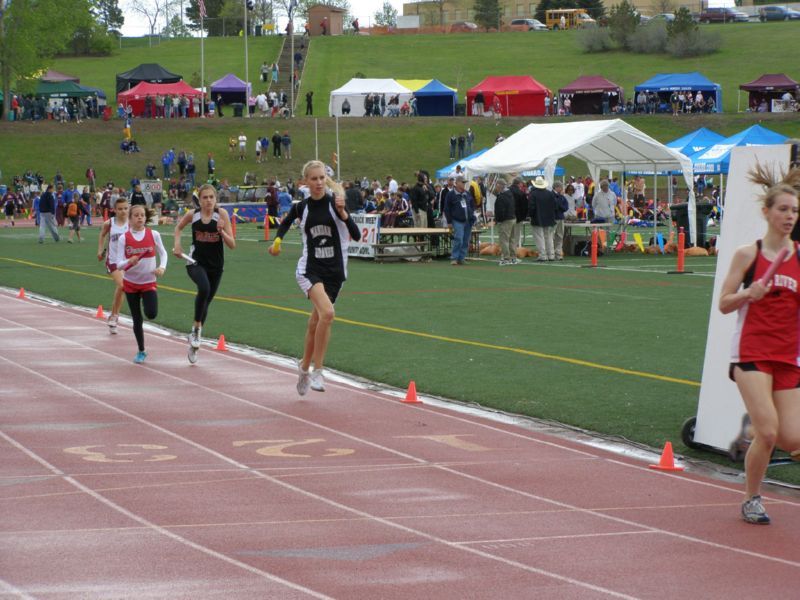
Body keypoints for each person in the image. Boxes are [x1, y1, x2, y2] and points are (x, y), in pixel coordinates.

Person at [719, 168, 800, 525]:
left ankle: (752, 432)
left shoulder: (799, 255)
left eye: (794, 211)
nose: (789, 217)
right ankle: (752, 498)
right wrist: (747, 294)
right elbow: (724, 303)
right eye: (783, 209)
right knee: (769, 432)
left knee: (792, 438)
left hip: (787, 355)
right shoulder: (747, 255)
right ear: (766, 212)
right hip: (751, 353)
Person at [268, 160, 361, 395]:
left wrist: (343, 213)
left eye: (322, 178)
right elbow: (286, 222)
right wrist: (277, 242)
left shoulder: (335, 203)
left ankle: (303, 368)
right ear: (305, 182)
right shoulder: (302, 207)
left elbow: (357, 235)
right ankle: (318, 371)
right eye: (314, 179)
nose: (319, 183)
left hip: (335, 273)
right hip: (310, 269)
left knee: (314, 323)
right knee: (328, 314)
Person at [172, 184, 236, 364]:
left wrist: (222, 231)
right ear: (199, 200)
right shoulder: (193, 215)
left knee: (206, 301)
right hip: (195, 262)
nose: (208, 200)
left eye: (211, 197)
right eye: (205, 197)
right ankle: (197, 331)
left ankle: (194, 337)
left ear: (216, 199)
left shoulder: (221, 215)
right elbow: (178, 228)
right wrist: (177, 244)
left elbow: (232, 245)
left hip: (216, 266)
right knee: (204, 288)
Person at [115, 204, 168, 364]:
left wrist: (162, 267)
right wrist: (128, 261)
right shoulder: (124, 238)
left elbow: (163, 253)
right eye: (136, 215)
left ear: (146, 218)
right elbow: (118, 264)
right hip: (131, 283)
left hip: (148, 282)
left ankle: (147, 301)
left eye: (142, 215)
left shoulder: (154, 234)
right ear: (130, 219)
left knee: (151, 313)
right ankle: (141, 350)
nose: (140, 218)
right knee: (137, 319)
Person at [97, 196, 130, 334]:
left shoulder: (132, 223)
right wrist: (100, 250)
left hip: (128, 262)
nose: (123, 211)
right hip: (113, 261)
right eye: (120, 209)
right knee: (122, 285)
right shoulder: (109, 223)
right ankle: (115, 316)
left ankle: (114, 314)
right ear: (115, 210)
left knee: (123, 288)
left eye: (125, 208)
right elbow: (102, 235)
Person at [444, 175, 476, 265]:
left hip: (468, 221)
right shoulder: (450, 194)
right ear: (457, 183)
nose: (464, 184)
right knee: (459, 239)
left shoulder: (467, 193)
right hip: (457, 220)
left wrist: (473, 216)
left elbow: (472, 205)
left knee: (466, 240)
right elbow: (446, 209)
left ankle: (461, 258)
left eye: (465, 183)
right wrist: (449, 222)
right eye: (463, 182)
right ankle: (454, 258)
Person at [528, 176, 557, 262]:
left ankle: (542, 255)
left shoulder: (533, 194)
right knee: (549, 237)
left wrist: (531, 215)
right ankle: (551, 255)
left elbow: (531, 208)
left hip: (537, 218)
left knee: (539, 237)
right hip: (549, 218)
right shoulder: (550, 193)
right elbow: (555, 206)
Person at [493, 179, 516, 265]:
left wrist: (498, 220)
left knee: (504, 240)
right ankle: (513, 258)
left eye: (496, 186)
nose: (496, 187)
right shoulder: (510, 194)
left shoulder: (502, 196)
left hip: (505, 220)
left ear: (500, 186)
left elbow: (500, 211)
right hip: (512, 218)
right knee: (511, 239)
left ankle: (506, 258)